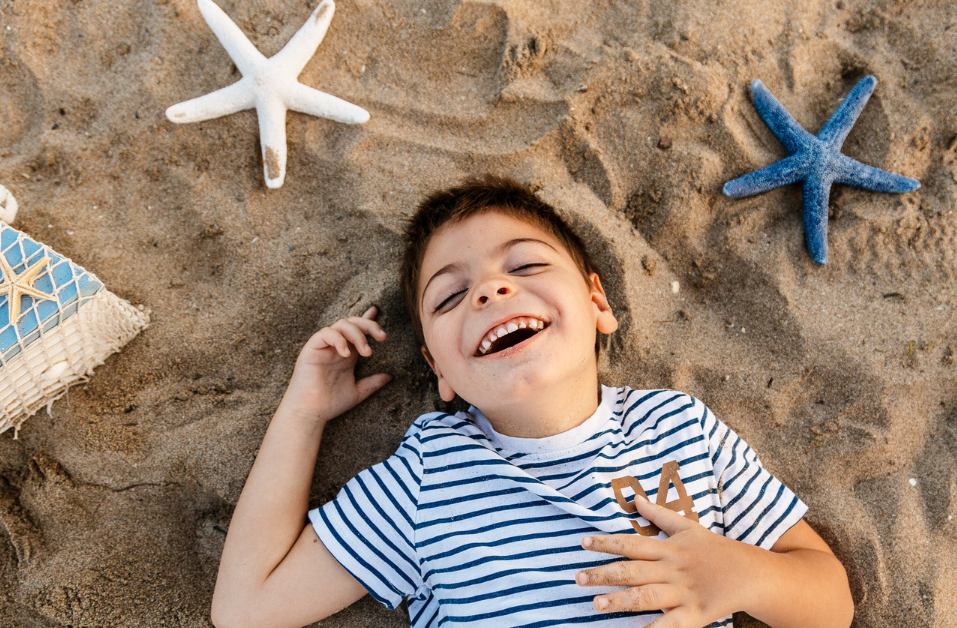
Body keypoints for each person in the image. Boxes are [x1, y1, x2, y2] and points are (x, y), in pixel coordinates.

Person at [209, 175, 854, 628]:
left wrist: (743, 576)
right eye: (449, 296)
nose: (490, 290)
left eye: (523, 267)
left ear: (598, 303)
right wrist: (303, 413)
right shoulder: (429, 475)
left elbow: (829, 600)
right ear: (440, 369)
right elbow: (246, 608)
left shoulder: (680, 428)